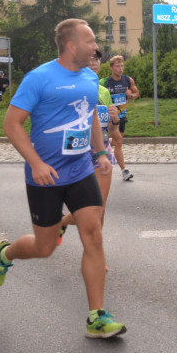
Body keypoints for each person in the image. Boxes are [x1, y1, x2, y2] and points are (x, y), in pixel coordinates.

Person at [0, 19, 126, 339]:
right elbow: (11, 124)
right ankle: (5, 254)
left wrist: (101, 154)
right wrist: (35, 162)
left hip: (80, 170)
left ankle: (96, 316)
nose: (96, 47)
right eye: (90, 41)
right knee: (44, 247)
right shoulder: (39, 78)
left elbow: (90, 114)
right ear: (71, 46)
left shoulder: (90, 78)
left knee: (93, 232)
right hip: (46, 176)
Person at [58, 48, 119, 247]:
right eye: (90, 59)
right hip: (76, 148)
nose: (94, 63)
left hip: (101, 149)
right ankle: (62, 221)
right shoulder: (69, 85)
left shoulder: (103, 91)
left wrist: (114, 120)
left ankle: (96, 253)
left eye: (97, 59)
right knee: (87, 209)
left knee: (99, 207)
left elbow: (110, 130)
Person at [104, 54, 139, 182]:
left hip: (122, 116)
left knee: (117, 141)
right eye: (117, 66)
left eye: (122, 66)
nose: (120, 68)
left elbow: (136, 93)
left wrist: (131, 95)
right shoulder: (105, 82)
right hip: (110, 118)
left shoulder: (128, 80)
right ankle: (124, 171)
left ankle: (100, 145)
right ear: (111, 68)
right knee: (118, 141)